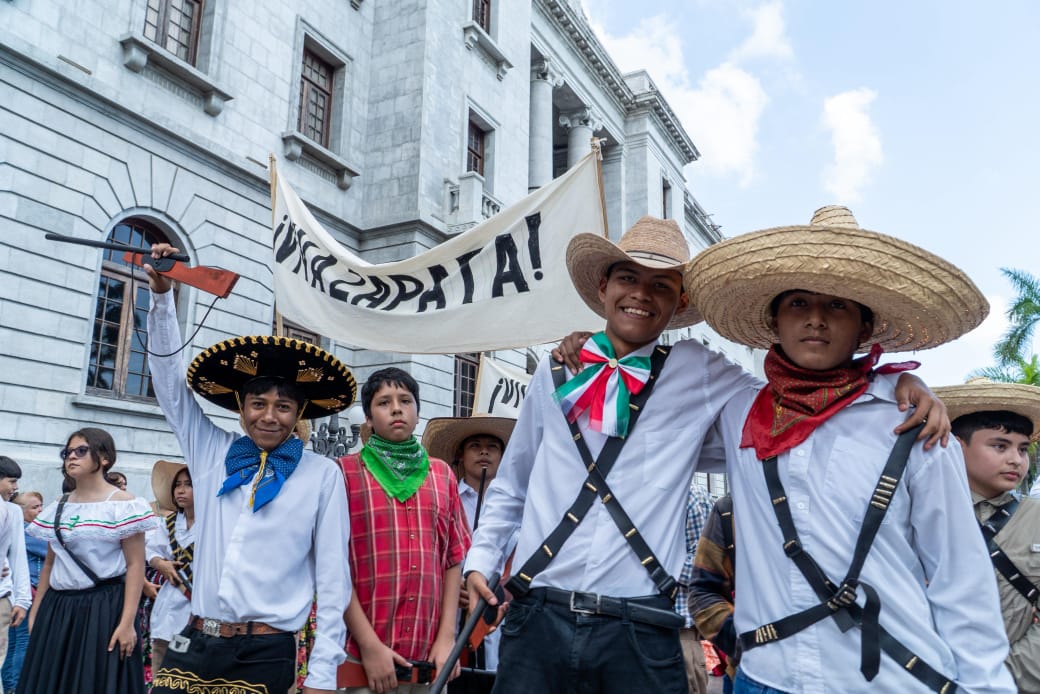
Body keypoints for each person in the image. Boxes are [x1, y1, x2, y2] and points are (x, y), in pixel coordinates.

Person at [467, 216, 947, 694]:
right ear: (603, 287)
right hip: (537, 614)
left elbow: (799, 396)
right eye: (628, 278)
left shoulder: (697, 369)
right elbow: (513, 483)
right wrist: (480, 562)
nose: (641, 293)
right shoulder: (554, 372)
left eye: (660, 284)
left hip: (639, 626)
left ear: (680, 301)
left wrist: (891, 383)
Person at [683, 205, 1014, 692]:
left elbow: (960, 575)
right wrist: (589, 352)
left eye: (837, 304)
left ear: (863, 328)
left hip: (887, 680)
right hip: (764, 678)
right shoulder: (738, 414)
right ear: (775, 320)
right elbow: (645, 426)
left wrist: (986, 687)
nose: (816, 318)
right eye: (798, 303)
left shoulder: (912, 423)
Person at [145, 243, 355, 694]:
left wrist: (322, 675)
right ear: (241, 409)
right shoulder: (211, 452)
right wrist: (163, 299)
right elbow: (169, 389)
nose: (269, 416)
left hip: (266, 652)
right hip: (195, 639)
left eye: (283, 406)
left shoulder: (322, 475)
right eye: (258, 403)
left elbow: (334, 580)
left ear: (299, 413)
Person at [338, 367, 470, 694]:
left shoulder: (441, 475)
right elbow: (333, 567)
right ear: (367, 418)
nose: (397, 408)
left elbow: (452, 559)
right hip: (362, 657)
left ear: (417, 411)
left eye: (405, 400)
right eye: (384, 402)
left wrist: (447, 639)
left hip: (429, 655)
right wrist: (369, 646)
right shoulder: (344, 473)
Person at [19, 428, 153, 693]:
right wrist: (36, 610)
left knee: (94, 682)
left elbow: (136, 565)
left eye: (81, 451)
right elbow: (49, 564)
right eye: (67, 452)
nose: (71, 457)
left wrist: (127, 623)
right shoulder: (59, 505)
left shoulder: (124, 505)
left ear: (103, 457)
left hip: (103, 608)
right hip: (57, 608)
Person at [936, 379, 1040, 690]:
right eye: (1000, 445)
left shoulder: (1036, 517)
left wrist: (998, 679)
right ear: (957, 445)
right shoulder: (920, 515)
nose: (1015, 460)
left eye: (1023, 449)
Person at [422, 413, 516, 678]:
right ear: (461, 455)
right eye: (475, 445)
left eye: (492, 446)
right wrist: (451, 588)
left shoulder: (521, 507)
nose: (484, 451)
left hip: (501, 616)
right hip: (448, 616)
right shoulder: (442, 498)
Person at [145, 460, 195, 674]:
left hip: (197, 609)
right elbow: (150, 549)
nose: (181, 490)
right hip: (168, 606)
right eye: (177, 485)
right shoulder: (170, 522)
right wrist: (160, 564)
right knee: (162, 672)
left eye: (188, 484)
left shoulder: (214, 522)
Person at [689, 494, 738, 694]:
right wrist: (745, 641)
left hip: (684, 632)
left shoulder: (694, 501)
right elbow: (704, 588)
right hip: (747, 669)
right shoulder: (729, 507)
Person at [2, 492, 43, 694]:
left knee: (13, 641)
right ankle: (16, 686)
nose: (40, 511)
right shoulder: (30, 532)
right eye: (35, 507)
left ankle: (10, 684)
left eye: (40, 506)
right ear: (21, 511)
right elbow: (52, 548)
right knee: (23, 641)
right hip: (26, 592)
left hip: (17, 593)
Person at [675, 484, 714, 694]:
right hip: (636, 631)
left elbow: (702, 570)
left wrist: (651, 562)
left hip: (678, 636)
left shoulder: (691, 497)